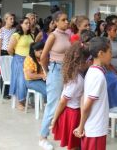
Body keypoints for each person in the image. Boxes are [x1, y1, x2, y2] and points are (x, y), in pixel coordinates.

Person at [51, 33, 94, 150]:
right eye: (90, 60)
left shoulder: (75, 74)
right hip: (72, 114)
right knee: (74, 145)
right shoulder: (77, 80)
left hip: (74, 112)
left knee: (76, 144)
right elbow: (63, 101)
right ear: (82, 62)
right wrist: (55, 119)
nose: (92, 62)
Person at [39, 11, 70, 150]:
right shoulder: (53, 35)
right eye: (63, 20)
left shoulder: (67, 34)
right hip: (56, 71)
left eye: (67, 19)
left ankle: (62, 134)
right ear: (56, 22)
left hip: (67, 72)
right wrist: (48, 72)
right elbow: (43, 57)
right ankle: (43, 137)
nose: (67, 22)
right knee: (52, 105)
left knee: (66, 104)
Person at [74, 37, 111, 150]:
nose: (111, 55)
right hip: (95, 128)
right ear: (100, 53)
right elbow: (87, 105)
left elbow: (83, 98)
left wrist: (83, 124)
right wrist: (81, 126)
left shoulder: (91, 70)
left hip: (92, 126)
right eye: (110, 52)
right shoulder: (98, 76)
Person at [8, 17, 34, 110]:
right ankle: (20, 101)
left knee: (29, 79)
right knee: (21, 80)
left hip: (29, 60)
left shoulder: (31, 35)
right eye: (26, 23)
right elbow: (9, 49)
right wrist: (16, 57)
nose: (28, 25)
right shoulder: (16, 35)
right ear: (21, 24)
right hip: (19, 59)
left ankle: (25, 100)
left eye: (29, 23)